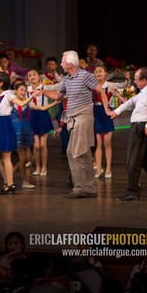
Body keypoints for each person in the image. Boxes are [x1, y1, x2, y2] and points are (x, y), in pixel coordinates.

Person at [37, 50, 108, 198]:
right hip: (73, 118)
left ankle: (81, 188)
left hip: (83, 117)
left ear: (70, 63)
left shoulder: (85, 76)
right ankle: (89, 188)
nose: (61, 63)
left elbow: (100, 91)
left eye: (62, 61)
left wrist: (107, 110)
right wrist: (43, 92)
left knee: (73, 152)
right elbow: (58, 96)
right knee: (83, 153)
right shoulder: (67, 79)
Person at [110, 67, 147, 201]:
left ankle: (133, 191)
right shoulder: (144, 91)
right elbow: (131, 102)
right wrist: (117, 111)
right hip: (140, 127)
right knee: (146, 162)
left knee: (133, 160)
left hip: (141, 127)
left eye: (137, 80)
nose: (135, 82)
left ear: (145, 80)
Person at [92, 64, 130, 179]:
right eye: (96, 72)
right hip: (96, 113)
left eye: (100, 71)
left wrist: (128, 78)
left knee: (107, 143)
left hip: (107, 113)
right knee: (98, 143)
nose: (98, 73)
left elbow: (124, 85)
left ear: (105, 73)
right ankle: (99, 168)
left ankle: (108, 168)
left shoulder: (110, 85)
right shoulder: (92, 85)